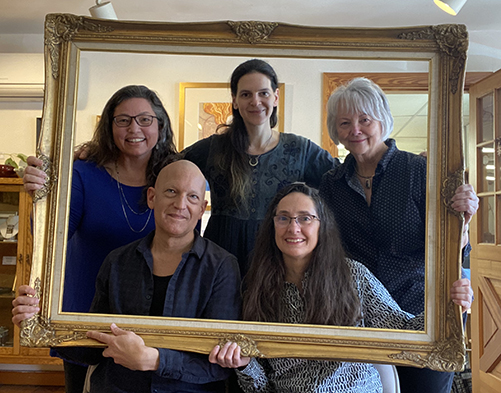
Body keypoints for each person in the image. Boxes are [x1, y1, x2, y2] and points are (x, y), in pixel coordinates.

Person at [208, 183, 472, 393]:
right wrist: (243, 366)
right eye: (283, 218)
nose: (293, 227)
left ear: (322, 226)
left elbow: (407, 333)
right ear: (272, 226)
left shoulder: (352, 276)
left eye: (305, 218)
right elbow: (260, 386)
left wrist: (450, 308)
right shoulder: (257, 286)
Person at [13, 160, 242, 393]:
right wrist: (41, 321)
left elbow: (221, 364)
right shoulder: (117, 261)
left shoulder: (222, 267)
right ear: (152, 197)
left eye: (192, 196)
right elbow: (94, 347)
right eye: (171, 191)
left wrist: (154, 360)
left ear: (202, 208)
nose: (180, 204)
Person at [318, 77, 478, 393]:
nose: (355, 130)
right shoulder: (331, 184)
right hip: (358, 318)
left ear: (383, 120)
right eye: (345, 122)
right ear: (335, 130)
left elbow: (456, 249)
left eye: (365, 120)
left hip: (423, 312)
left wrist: (465, 219)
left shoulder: (420, 171)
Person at [22, 85, 177, 392]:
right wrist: (42, 198)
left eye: (145, 119)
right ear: (109, 127)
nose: (134, 128)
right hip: (85, 311)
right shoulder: (83, 173)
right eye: (123, 120)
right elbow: (50, 237)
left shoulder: (175, 175)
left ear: (160, 124)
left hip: (150, 315)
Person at [183, 59, 338, 276]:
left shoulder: (300, 149)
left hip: (278, 259)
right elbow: (169, 168)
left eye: (263, 93)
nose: (255, 101)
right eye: (246, 94)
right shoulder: (213, 148)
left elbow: (340, 184)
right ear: (235, 101)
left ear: (275, 97)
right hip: (218, 257)